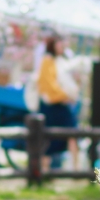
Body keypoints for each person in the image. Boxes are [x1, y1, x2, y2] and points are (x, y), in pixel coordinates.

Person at [33, 34, 88, 167]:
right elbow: (48, 85)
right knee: (49, 139)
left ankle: (76, 168)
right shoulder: (47, 61)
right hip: (52, 105)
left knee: (72, 135)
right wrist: (64, 96)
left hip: (61, 104)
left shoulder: (59, 61)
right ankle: (43, 171)